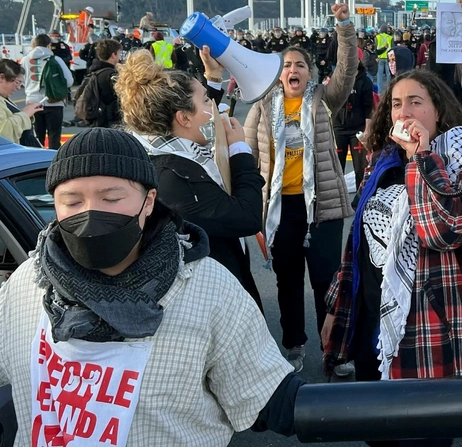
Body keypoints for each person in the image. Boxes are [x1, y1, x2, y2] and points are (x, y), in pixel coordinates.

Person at [0, 127, 304, 446]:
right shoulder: (27, 286)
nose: (90, 214)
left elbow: (268, 395)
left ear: (149, 202)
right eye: (72, 201)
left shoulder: (208, 290)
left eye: (112, 198)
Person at [322, 68, 462, 389]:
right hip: (372, 319)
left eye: (416, 102)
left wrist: (420, 157)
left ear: (438, 111)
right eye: (397, 104)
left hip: (429, 330)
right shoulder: (381, 162)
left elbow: (443, 231)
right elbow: (358, 242)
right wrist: (335, 305)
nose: (404, 112)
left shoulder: (461, 162)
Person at [244, 3, 358, 374]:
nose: (293, 70)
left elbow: (347, 69)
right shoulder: (261, 107)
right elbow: (248, 157)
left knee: (327, 283)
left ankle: (335, 350)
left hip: (321, 208)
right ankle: (293, 345)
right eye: (287, 65)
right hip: (281, 212)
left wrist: (343, 26)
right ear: (279, 75)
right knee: (288, 283)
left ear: (310, 74)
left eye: (300, 65)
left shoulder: (324, 101)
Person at [116, 48, 266, 310]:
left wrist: (213, 77)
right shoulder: (174, 178)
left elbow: (200, 117)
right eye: (208, 101)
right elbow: (247, 217)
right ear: (183, 118)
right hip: (213, 301)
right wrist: (239, 151)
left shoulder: (163, 149)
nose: (215, 109)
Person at [22, 33, 73, 149]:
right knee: (54, 137)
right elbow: (69, 81)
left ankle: (36, 163)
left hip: (32, 103)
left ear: (34, 44)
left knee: (36, 137)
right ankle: (53, 163)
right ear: (49, 45)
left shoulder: (25, 60)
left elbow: (22, 81)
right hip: (54, 102)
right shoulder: (56, 59)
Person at [334, 61, 374, 189]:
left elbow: (369, 109)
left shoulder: (365, 81)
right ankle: (337, 200)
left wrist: (367, 131)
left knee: (359, 168)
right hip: (339, 128)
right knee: (337, 168)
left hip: (357, 129)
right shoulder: (336, 79)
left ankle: (359, 199)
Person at [82, 38, 123, 128]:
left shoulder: (94, 71)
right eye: (119, 53)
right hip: (110, 121)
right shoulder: (112, 75)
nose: (120, 57)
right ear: (113, 55)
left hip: (96, 118)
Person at [0, 58, 41, 145]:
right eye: (17, 82)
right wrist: (25, 114)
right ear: (2, 78)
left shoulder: (4, 98)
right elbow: (3, 134)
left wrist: (26, 112)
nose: (18, 87)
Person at [376, 24, 393, 93]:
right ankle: (388, 90)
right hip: (388, 57)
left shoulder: (377, 37)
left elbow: (375, 47)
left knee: (379, 75)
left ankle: (379, 91)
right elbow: (392, 48)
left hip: (380, 57)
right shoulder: (390, 37)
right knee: (388, 74)